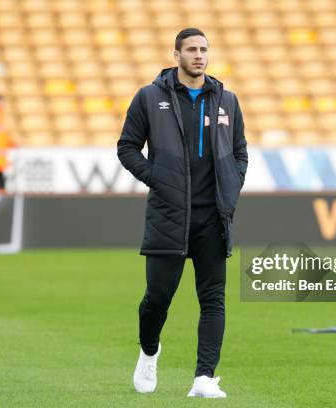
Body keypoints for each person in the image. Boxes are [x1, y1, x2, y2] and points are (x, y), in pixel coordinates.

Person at [117, 28, 248, 398]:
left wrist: (233, 185)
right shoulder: (149, 97)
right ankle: (149, 350)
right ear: (176, 55)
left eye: (204, 49)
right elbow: (127, 147)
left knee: (213, 299)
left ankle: (204, 378)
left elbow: (240, 152)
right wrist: (156, 178)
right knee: (157, 299)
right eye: (191, 49)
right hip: (169, 215)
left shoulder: (227, 100)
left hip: (213, 217)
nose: (199, 55)